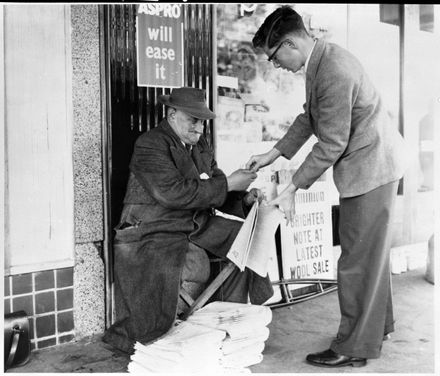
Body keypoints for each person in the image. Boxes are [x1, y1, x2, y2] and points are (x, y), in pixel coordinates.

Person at [246, 6, 406, 368]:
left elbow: (331, 143)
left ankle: (354, 346)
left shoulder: (333, 68)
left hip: (372, 169)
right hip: (373, 165)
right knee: (370, 256)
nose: (275, 65)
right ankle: (377, 328)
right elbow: (310, 117)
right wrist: (274, 153)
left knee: (355, 261)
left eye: (273, 57)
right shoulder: (321, 59)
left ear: (289, 43)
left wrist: (291, 190)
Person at [103, 87, 274, 354]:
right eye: (192, 119)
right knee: (179, 273)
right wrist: (228, 183)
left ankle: (232, 316)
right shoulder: (151, 143)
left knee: (244, 238)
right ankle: (157, 334)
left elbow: (217, 189)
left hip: (192, 222)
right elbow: (172, 194)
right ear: (172, 115)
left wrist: (244, 200)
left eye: (202, 120)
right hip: (152, 226)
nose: (199, 127)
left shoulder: (200, 145)